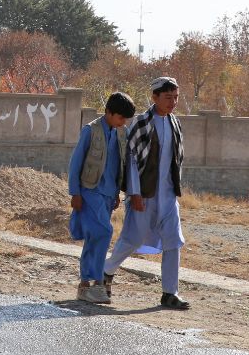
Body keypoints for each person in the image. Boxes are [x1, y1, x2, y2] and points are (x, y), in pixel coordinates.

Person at [103, 77, 191, 310]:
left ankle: (170, 293)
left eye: (176, 97)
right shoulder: (141, 123)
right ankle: (107, 270)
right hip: (144, 194)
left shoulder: (174, 123)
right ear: (155, 98)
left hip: (168, 195)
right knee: (133, 239)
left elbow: (176, 159)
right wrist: (135, 193)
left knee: (173, 241)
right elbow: (131, 161)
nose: (173, 102)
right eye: (168, 97)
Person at [68, 92, 137, 304]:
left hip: (107, 194)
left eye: (125, 119)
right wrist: (75, 193)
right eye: (120, 117)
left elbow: (119, 165)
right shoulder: (91, 130)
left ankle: (84, 285)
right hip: (89, 191)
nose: (122, 122)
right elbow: (75, 163)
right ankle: (98, 282)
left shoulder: (120, 133)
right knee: (105, 232)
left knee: (94, 238)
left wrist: (117, 193)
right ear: (108, 112)